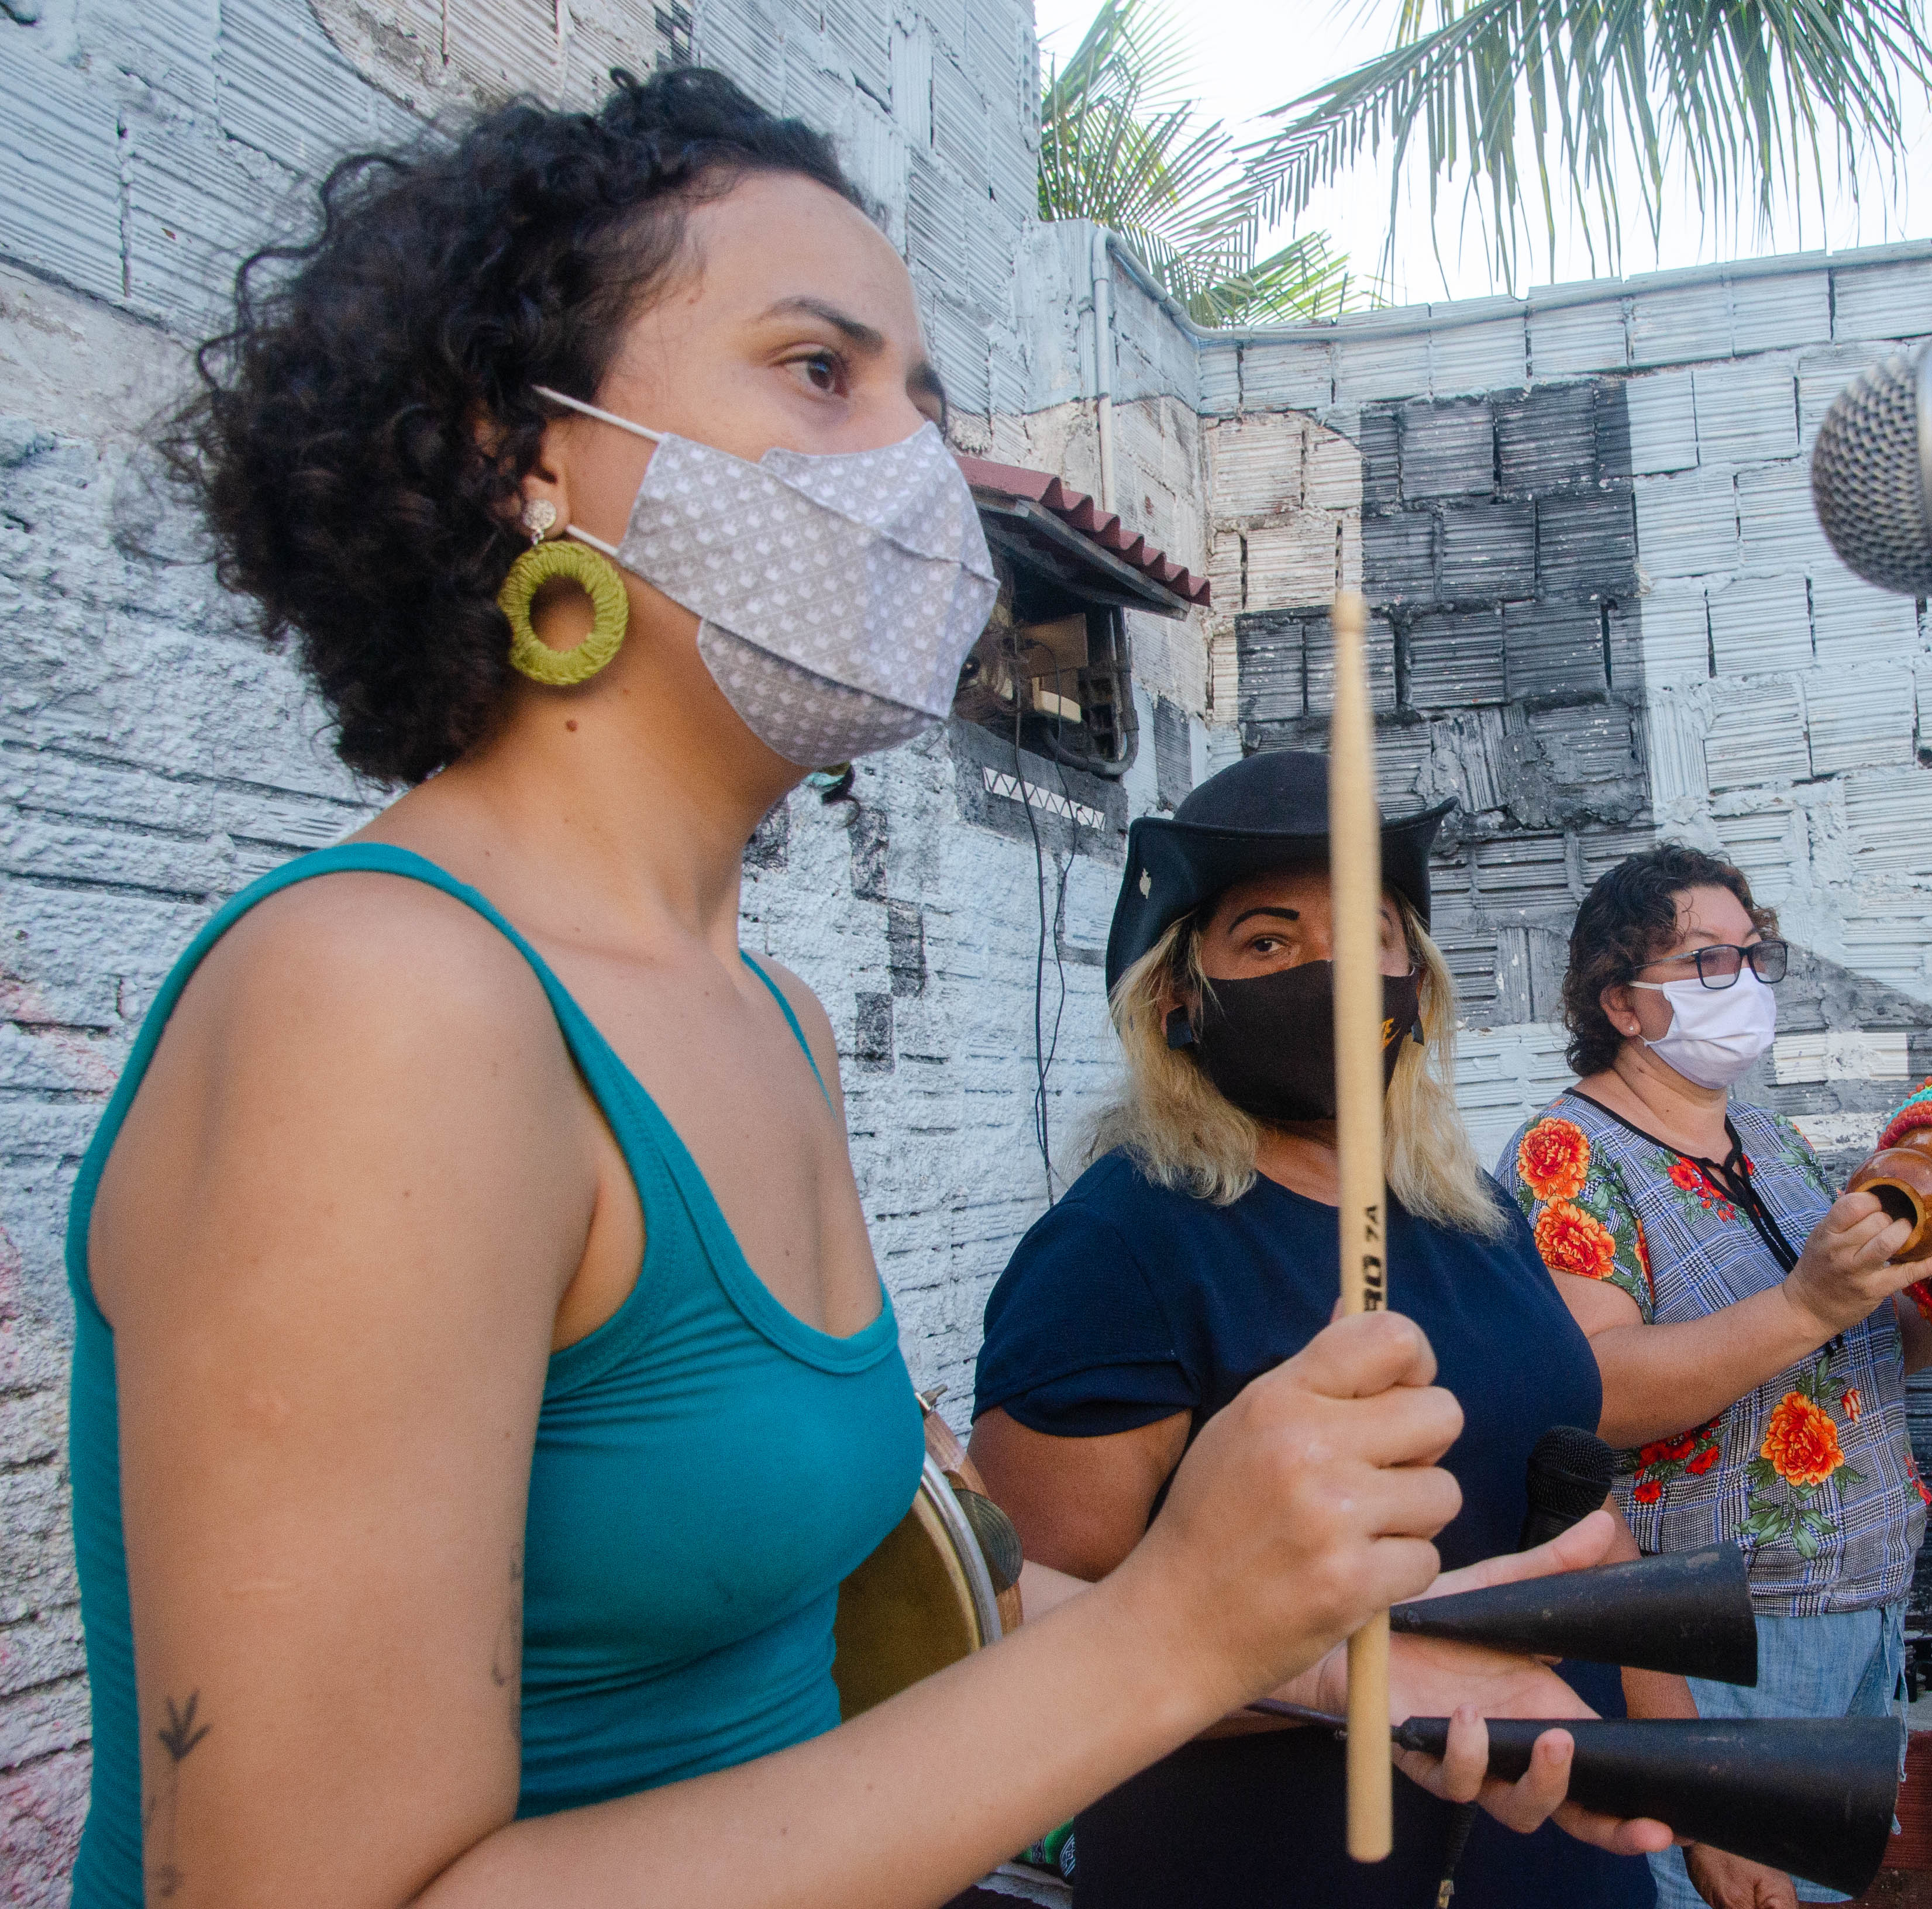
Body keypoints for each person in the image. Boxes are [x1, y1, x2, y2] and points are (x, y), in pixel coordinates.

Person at [71, 70, 1656, 1909]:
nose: (915, 474)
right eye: (819, 370)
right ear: (529, 457)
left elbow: (880, 1609)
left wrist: (1307, 1648)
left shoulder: (769, 1022)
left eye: (928, 407)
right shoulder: (388, 1006)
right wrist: (1173, 1630)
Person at [971, 752, 1747, 1907]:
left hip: (1558, 1841)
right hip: (1275, 1867)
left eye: (1368, 936)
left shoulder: (1474, 1217)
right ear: (1179, 998)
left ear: (1414, 985)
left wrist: (1699, 1779)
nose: (1328, 972)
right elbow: (1031, 1646)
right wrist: (1379, 1674)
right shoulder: (1120, 1250)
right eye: (1268, 941)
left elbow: (1580, 1514)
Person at [1494, 843, 1932, 1909]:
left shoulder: (1771, 1141)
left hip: (1861, 1606)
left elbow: (1857, 1354)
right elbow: (1593, 1396)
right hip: (1717, 1642)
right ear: (1621, 1002)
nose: (1740, 982)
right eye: (1706, 960)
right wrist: (1810, 1303)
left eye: (1751, 955)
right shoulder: (1567, 1155)